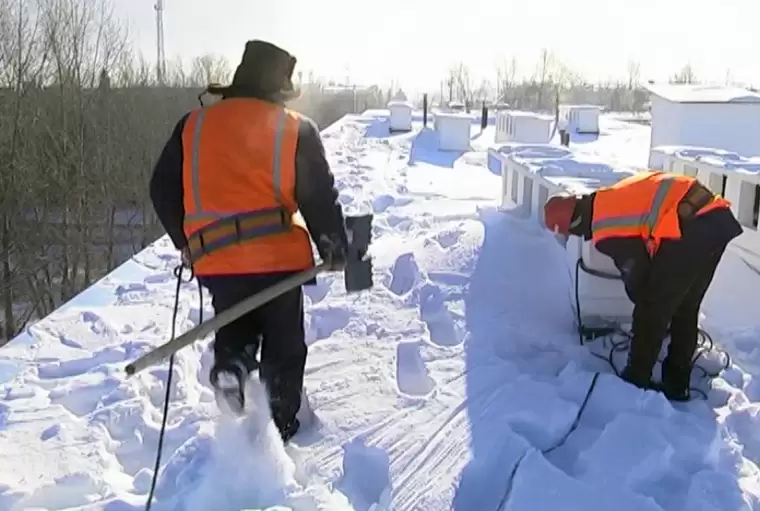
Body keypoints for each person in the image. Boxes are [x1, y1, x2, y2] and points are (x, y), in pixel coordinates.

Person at [149, 40, 348, 442]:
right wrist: (333, 243)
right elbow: (317, 195)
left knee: (235, 320)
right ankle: (279, 429)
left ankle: (232, 366)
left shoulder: (193, 125)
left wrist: (184, 242)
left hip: (216, 258)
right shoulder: (294, 127)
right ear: (278, 90)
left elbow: (161, 188)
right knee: (284, 346)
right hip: (278, 261)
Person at [543, 170, 743, 401]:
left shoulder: (605, 227)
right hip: (714, 220)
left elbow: (640, 280)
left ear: (569, 227)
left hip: (692, 228)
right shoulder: (606, 200)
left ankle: (635, 381)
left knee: (652, 307)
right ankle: (676, 384)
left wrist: (649, 311)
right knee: (684, 308)